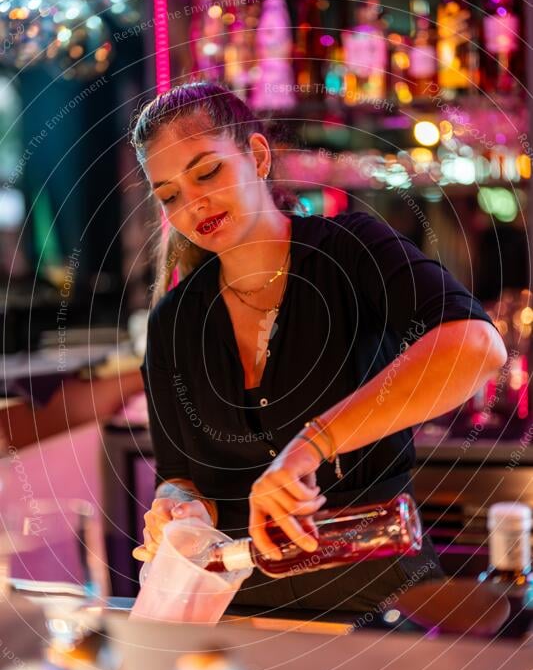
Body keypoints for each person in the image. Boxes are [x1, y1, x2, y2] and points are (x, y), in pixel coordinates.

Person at [130, 81, 507, 618]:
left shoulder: (352, 250)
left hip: (383, 597)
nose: (193, 204)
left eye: (207, 172)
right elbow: (181, 473)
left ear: (257, 155)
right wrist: (180, 507)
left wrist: (310, 445)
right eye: (169, 194)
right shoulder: (173, 319)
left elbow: (475, 346)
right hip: (244, 611)